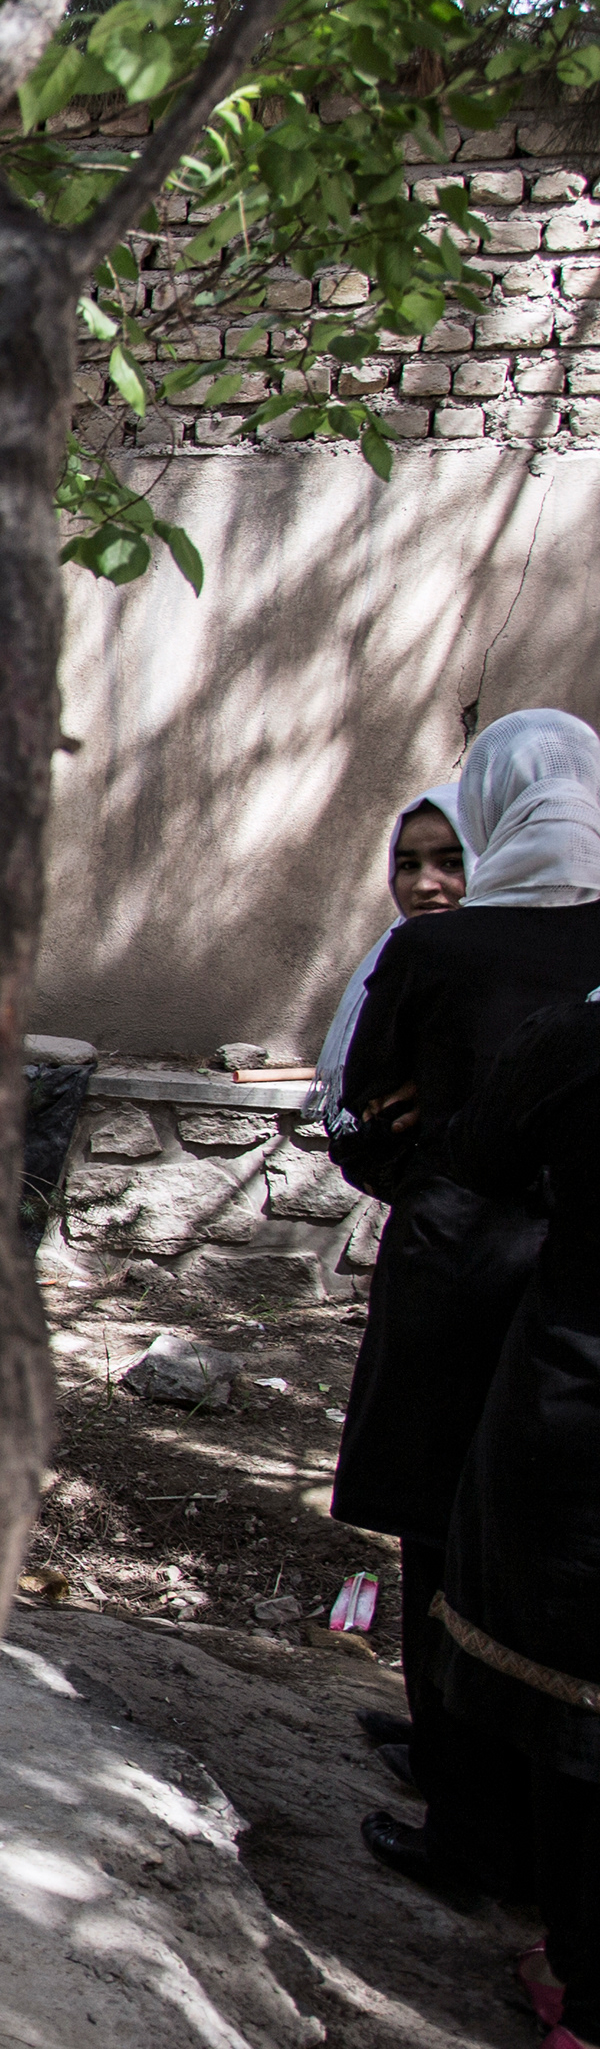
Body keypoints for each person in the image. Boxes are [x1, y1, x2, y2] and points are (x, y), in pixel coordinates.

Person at [336, 709, 600, 1891]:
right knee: (538, 1562)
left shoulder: (440, 953)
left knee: (443, 1530)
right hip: (573, 1294)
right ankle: (539, 1832)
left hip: (458, 1276)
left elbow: (365, 1109)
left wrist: (434, 1177)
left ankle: (465, 1819)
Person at [438, 984, 600, 2049]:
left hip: (584, 1403)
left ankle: (592, 2000)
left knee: (581, 1705)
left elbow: (485, 1151)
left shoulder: (587, 1031)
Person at [306, 783, 471, 1130]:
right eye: (408, 865)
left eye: (452, 863)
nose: (424, 885)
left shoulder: (518, 963)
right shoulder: (395, 957)